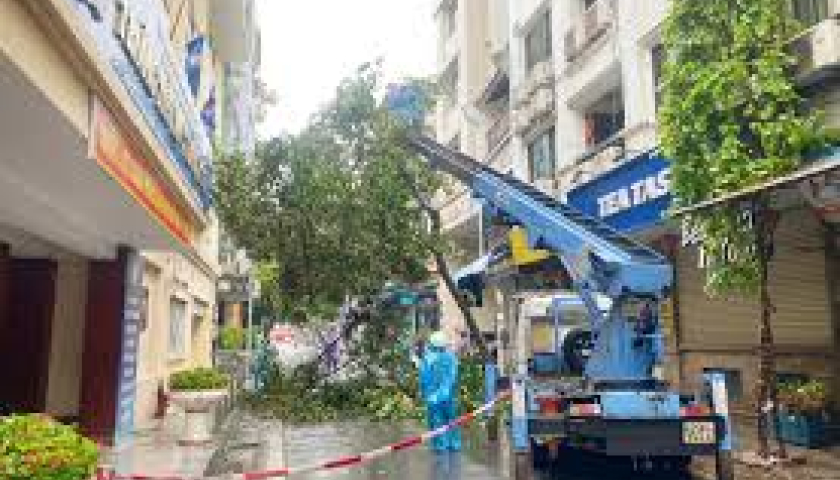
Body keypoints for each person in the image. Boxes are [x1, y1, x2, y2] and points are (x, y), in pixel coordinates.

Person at [419, 330, 462, 452]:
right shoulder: (450, 358)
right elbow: (452, 378)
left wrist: (427, 394)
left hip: (436, 397)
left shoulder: (428, 358)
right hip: (446, 396)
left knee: (438, 421)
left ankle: (441, 446)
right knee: (450, 420)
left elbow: (424, 379)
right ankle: (452, 444)